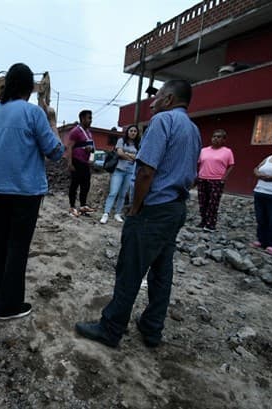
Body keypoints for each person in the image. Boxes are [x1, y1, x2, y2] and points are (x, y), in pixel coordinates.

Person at [75, 80, 201, 348]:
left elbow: (145, 171)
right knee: (161, 272)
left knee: (130, 270)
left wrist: (136, 207)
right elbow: (192, 174)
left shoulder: (162, 121)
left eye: (156, 99)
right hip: (176, 208)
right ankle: (152, 328)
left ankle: (111, 329)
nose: (152, 104)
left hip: (154, 210)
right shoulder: (193, 129)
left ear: (168, 98)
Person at [0, 63, 64, 321]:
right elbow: (56, 151)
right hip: (25, 191)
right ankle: (8, 305)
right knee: (17, 247)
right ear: (29, 87)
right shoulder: (33, 113)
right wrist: (52, 121)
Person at [196, 129, 235, 231]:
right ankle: (203, 221)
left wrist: (224, 177)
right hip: (202, 179)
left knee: (213, 203)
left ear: (224, 140)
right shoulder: (203, 150)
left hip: (217, 180)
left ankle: (211, 224)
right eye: (214, 136)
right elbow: (199, 163)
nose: (216, 139)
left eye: (219, 137)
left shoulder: (227, 151)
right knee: (202, 202)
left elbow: (231, 165)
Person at [99, 125, 139, 224]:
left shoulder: (138, 144)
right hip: (119, 170)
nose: (133, 133)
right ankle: (106, 213)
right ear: (127, 132)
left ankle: (117, 213)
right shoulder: (121, 141)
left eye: (135, 131)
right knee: (113, 192)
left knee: (123, 194)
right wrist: (131, 157)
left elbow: (138, 156)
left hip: (130, 172)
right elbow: (120, 153)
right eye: (131, 131)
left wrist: (127, 154)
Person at [67, 110, 95, 217]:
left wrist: (90, 149)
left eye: (91, 118)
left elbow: (90, 146)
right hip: (76, 161)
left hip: (85, 163)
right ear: (82, 119)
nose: (90, 120)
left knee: (86, 185)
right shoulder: (76, 131)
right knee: (74, 185)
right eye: (89, 118)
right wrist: (69, 163)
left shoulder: (88, 132)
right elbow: (69, 147)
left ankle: (83, 207)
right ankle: (72, 207)